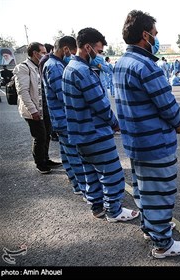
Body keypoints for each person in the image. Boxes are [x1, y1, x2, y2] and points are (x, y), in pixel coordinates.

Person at [113, 10, 180, 258]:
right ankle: (163, 245)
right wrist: (178, 123)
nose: (156, 39)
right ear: (145, 35)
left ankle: (151, 228)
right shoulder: (147, 66)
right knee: (161, 193)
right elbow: (167, 105)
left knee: (144, 190)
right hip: (155, 142)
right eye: (155, 34)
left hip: (136, 142)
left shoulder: (121, 64)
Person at [62, 27, 138, 222]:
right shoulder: (83, 71)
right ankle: (114, 210)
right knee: (111, 173)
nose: (100, 56)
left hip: (79, 134)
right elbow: (100, 105)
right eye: (100, 51)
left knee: (91, 173)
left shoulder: (69, 68)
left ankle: (97, 207)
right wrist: (115, 124)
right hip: (94, 133)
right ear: (88, 47)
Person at [41, 36, 86, 196]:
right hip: (65, 119)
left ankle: (76, 184)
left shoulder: (54, 64)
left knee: (67, 154)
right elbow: (65, 96)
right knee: (74, 155)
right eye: (72, 52)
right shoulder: (55, 67)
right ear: (66, 49)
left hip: (60, 119)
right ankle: (82, 186)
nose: (73, 56)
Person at [12, 42, 62, 174]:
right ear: (35, 53)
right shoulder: (23, 68)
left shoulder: (40, 65)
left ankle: (46, 158)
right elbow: (23, 91)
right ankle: (40, 163)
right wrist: (32, 110)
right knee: (39, 136)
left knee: (47, 135)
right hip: (33, 110)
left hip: (44, 107)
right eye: (44, 52)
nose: (46, 54)